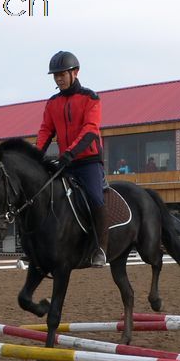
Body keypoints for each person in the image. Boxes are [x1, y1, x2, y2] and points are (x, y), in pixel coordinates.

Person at [36, 51, 108, 267]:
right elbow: (45, 131)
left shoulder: (90, 98)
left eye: (62, 74)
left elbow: (90, 131)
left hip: (88, 161)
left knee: (95, 198)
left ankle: (101, 249)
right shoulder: (52, 103)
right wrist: (35, 155)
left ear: (75, 72)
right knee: (46, 196)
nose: (58, 79)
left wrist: (71, 153)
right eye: (55, 76)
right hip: (66, 162)